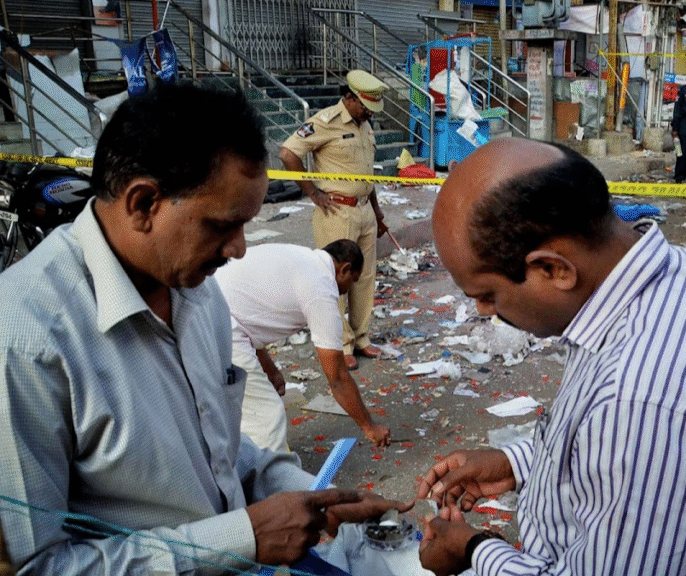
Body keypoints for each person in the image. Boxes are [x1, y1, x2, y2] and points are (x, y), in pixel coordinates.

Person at [0, 83, 410, 574]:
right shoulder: (25, 340)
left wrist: (309, 495)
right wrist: (240, 539)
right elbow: (37, 565)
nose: (239, 249)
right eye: (221, 226)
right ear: (143, 204)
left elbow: (217, 451)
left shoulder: (199, 294)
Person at [415, 138, 686, 576]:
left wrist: (473, 549)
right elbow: (602, 450)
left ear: (554, 269)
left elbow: (627, 434)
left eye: (487, 294)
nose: (483, 311)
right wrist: (516, 464)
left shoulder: (641, 408)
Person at [214, 240, 391, 450]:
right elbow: (338, 379)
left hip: (210, 303)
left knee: (237, 405)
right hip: (219, 323)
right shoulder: (321, 289)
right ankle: (266, 469)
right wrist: (370, 427)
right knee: (267, 417)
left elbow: (248, 312)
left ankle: (236, 456)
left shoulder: (303, 258)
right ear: (344, 269)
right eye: (352, 281)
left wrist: (269, 368)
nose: (348, 290)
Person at [279, 69, 389, 372]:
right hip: (337, 212)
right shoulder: (325, 121)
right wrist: (313, 193)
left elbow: (366, 175)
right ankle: (341, 344)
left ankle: (361, 337)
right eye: (365, 106)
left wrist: (377, 211)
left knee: (364, 277)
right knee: (334, 278)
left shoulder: (365, 126)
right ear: (350, 98)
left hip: (365, 210)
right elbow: (288, 153)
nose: (369, 112)